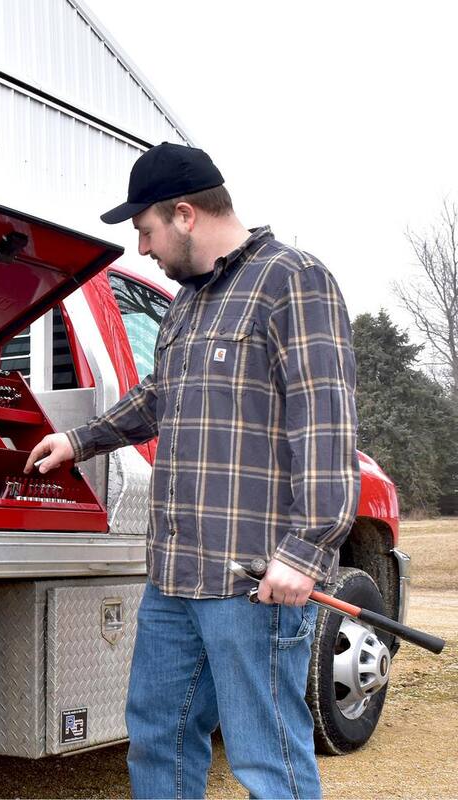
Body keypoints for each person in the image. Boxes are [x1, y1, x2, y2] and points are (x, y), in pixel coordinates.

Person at [24, 142, 360, 800]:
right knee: (159, 734)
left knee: (266, 756)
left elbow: (325, 420)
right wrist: (79, 440)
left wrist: (306, 547)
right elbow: (159, 396)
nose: (142, 249)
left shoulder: (291, 278)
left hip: (251, 575)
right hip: (175, 576)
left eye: (144, 231)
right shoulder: (185, 304)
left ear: (184, 215)